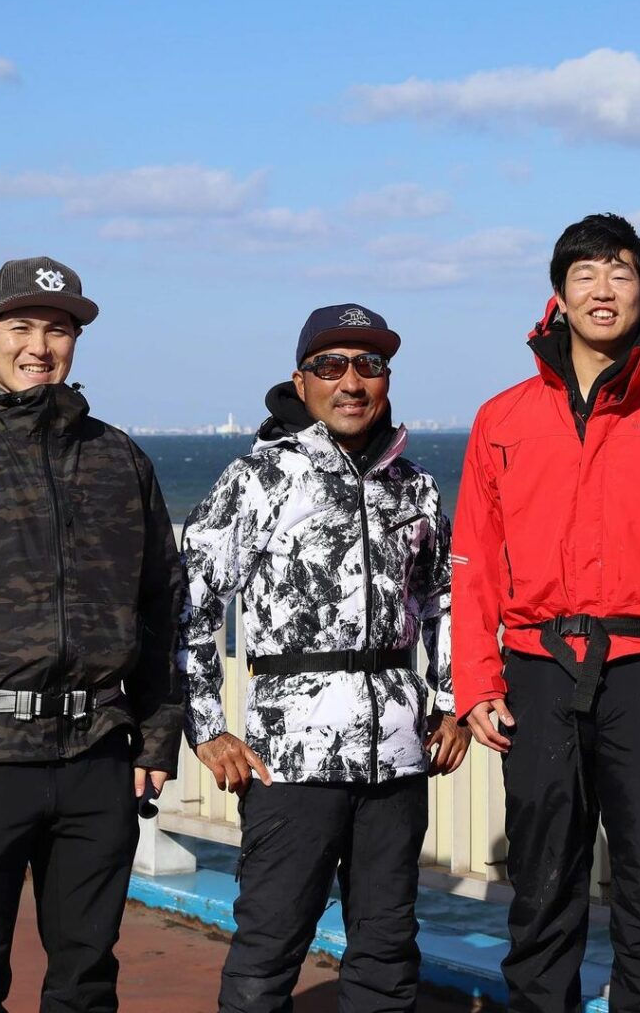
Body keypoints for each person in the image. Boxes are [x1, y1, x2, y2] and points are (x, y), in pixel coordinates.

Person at [451, 213, 640, 1013]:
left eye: (621, 273)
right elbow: (473, 561)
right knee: (542, 877)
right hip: (539, 669)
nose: (602, 289)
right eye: (584, 274)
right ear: (559, 294)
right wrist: (476, 680)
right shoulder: (503, 418)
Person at [180, 302, 469, 1012]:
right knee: (270, 944)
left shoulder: (415, 484)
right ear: (300, 380)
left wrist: (451, 704)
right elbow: (191, 602)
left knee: (388, 947)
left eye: (369, 365)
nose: (351, 381)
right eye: (331, 365)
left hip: (398, 756)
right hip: (291, 759)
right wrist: (206, 726)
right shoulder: (258, 478)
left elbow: (443, 601)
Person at [0, 256, 185, 1011]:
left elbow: (163, 602)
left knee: (87, 978)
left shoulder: (118, 457)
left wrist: (157, 736)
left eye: (58, 330)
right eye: (21, 327)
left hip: (98, 755)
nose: (39, 346)